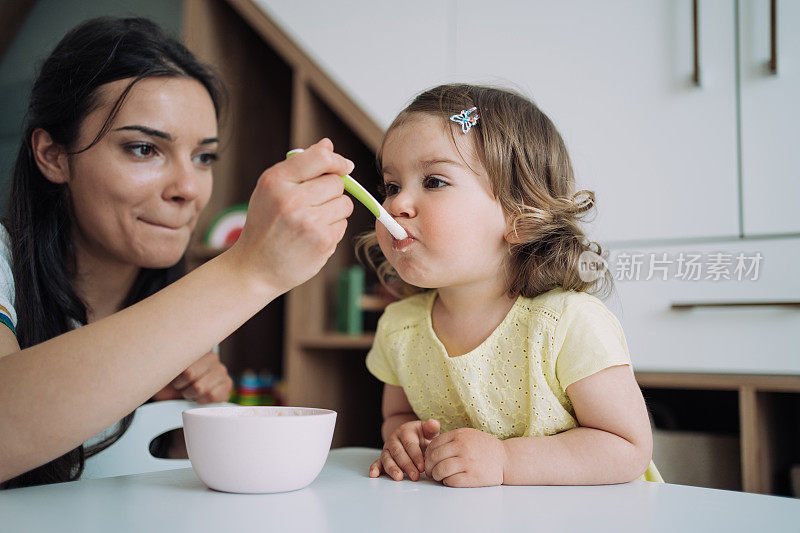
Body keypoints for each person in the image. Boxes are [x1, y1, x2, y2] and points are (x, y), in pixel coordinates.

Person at [0, 17, 354, 488]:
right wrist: (249, 271)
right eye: (145, 149)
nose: (189, 189)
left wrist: (195, 420)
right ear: (53, 155)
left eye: (204, 157)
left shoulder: (183, 309)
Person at [361, 84, 662, 487]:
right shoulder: (399, 328)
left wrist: (504, 460)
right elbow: (398, 416)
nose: (395, 205)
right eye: (392, 186)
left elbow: (626, 445)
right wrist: (406, 439)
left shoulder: (569, 323)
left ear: (521, 216)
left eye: (433, 182)